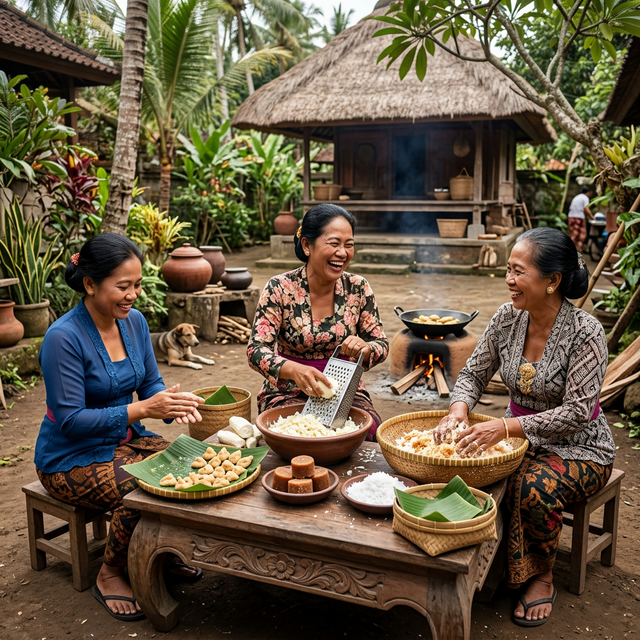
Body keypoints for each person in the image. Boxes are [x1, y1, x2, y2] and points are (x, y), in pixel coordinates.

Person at [433, 227, 615, 627]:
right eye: (508, 270)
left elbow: (579, 412)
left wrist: (506, 427)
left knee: (530, 487)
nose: (509, 280)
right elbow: (473, 375)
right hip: (518, 437)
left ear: (552, 282)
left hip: (580, 447)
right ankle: (492, 565)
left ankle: (540, 575)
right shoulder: (506, 317)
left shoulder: (587, 332)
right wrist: (459, 409)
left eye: (519, 271)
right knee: (468, 467)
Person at [35, 234, 205, 622]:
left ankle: (158, 554)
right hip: (68, 458)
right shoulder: (63, 338)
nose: (133, 295)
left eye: (138, 285)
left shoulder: (136, 323)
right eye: (123, 286)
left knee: (189, 464)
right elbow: (71, 420)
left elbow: (149, 384)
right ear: (90, 283)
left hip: (124, 441)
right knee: (141, 484)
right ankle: (111, 572)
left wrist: (169, 404)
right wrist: (142, 409)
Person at [247, 204, 388, 438]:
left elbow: (381, 343)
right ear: (307, 245)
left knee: (367, 432)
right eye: (334, 244)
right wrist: (294, 371)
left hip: (344, 391)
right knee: (294, 435)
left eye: (349, 245)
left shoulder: (358, 287)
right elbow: (255, 350)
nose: (342, 253)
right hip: (286, 390)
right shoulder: (279, 288)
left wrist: (366, 348)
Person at [567, 186, 594, 251]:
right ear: (588, 192)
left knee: (572, 234)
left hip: (571, 216)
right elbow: (586, 209)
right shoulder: (585, 198)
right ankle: (577, 249)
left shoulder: (577, 197)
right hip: (579, 218)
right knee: (581, 235)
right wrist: (592, 217)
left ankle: (570, 249)